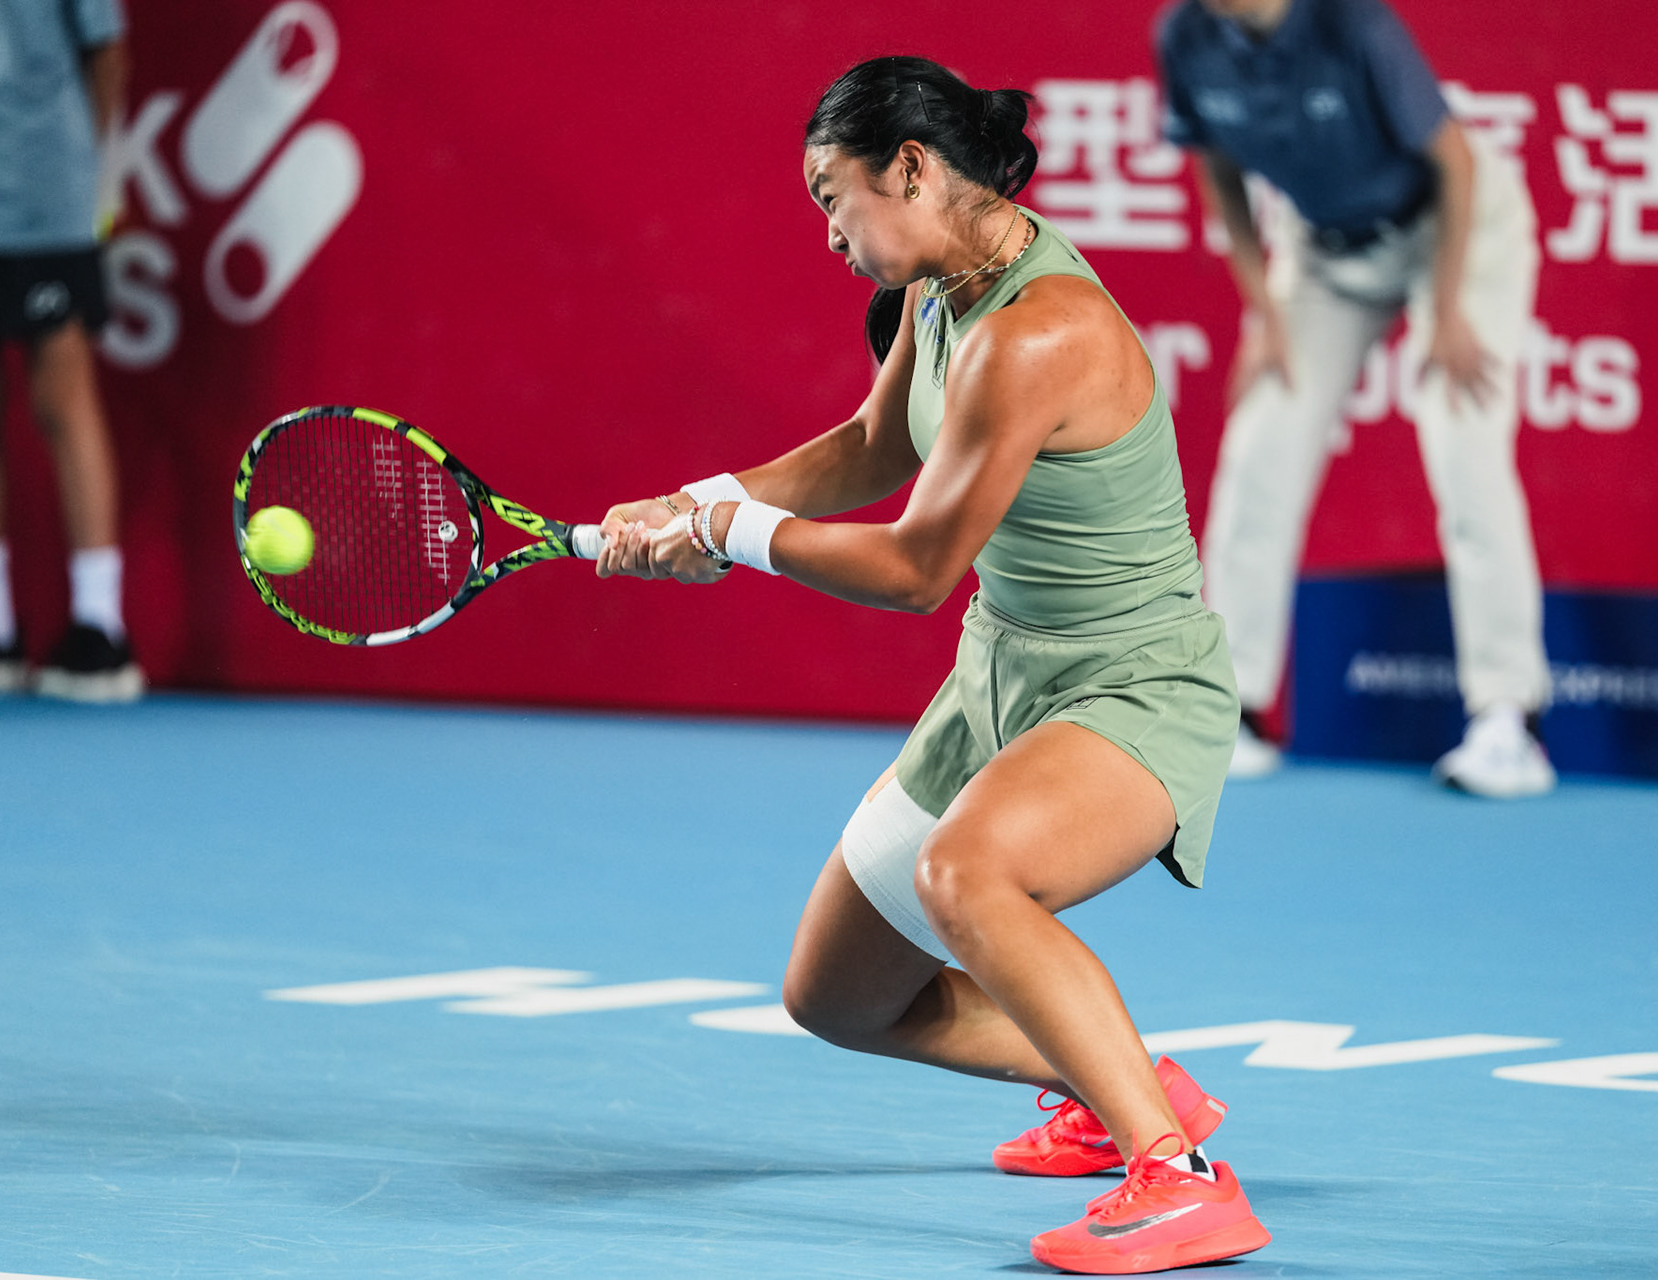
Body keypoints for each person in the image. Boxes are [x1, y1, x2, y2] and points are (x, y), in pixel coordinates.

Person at [596, 56, 1270, 1275]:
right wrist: (697, 502)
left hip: (1132, 687)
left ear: (909, 167)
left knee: (970, 872)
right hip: (996, 681)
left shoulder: (1038, 331)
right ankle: (1113, 1070)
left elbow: (915, 567)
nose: (832, 233)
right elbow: (866, 449)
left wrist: (731, 539)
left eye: (833, 197)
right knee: (838, 995)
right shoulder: (942, 290)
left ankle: (1176, 1176)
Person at [1157, 0, 1554, 796]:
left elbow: (1454, 160)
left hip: (1450, 232)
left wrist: (1447, 312)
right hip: (1321, 249)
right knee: (1261, 449)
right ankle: (1229, 710)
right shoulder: (1184, 35)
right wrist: (1262, 313)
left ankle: (1508, 721)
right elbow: (1215, 163)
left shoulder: (1354, 24)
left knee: (1465, 444)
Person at [0, 0, 142, 701]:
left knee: (62, 399)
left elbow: (107, 56)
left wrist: (88, 176)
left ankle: (99, 629)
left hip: (43, 199)